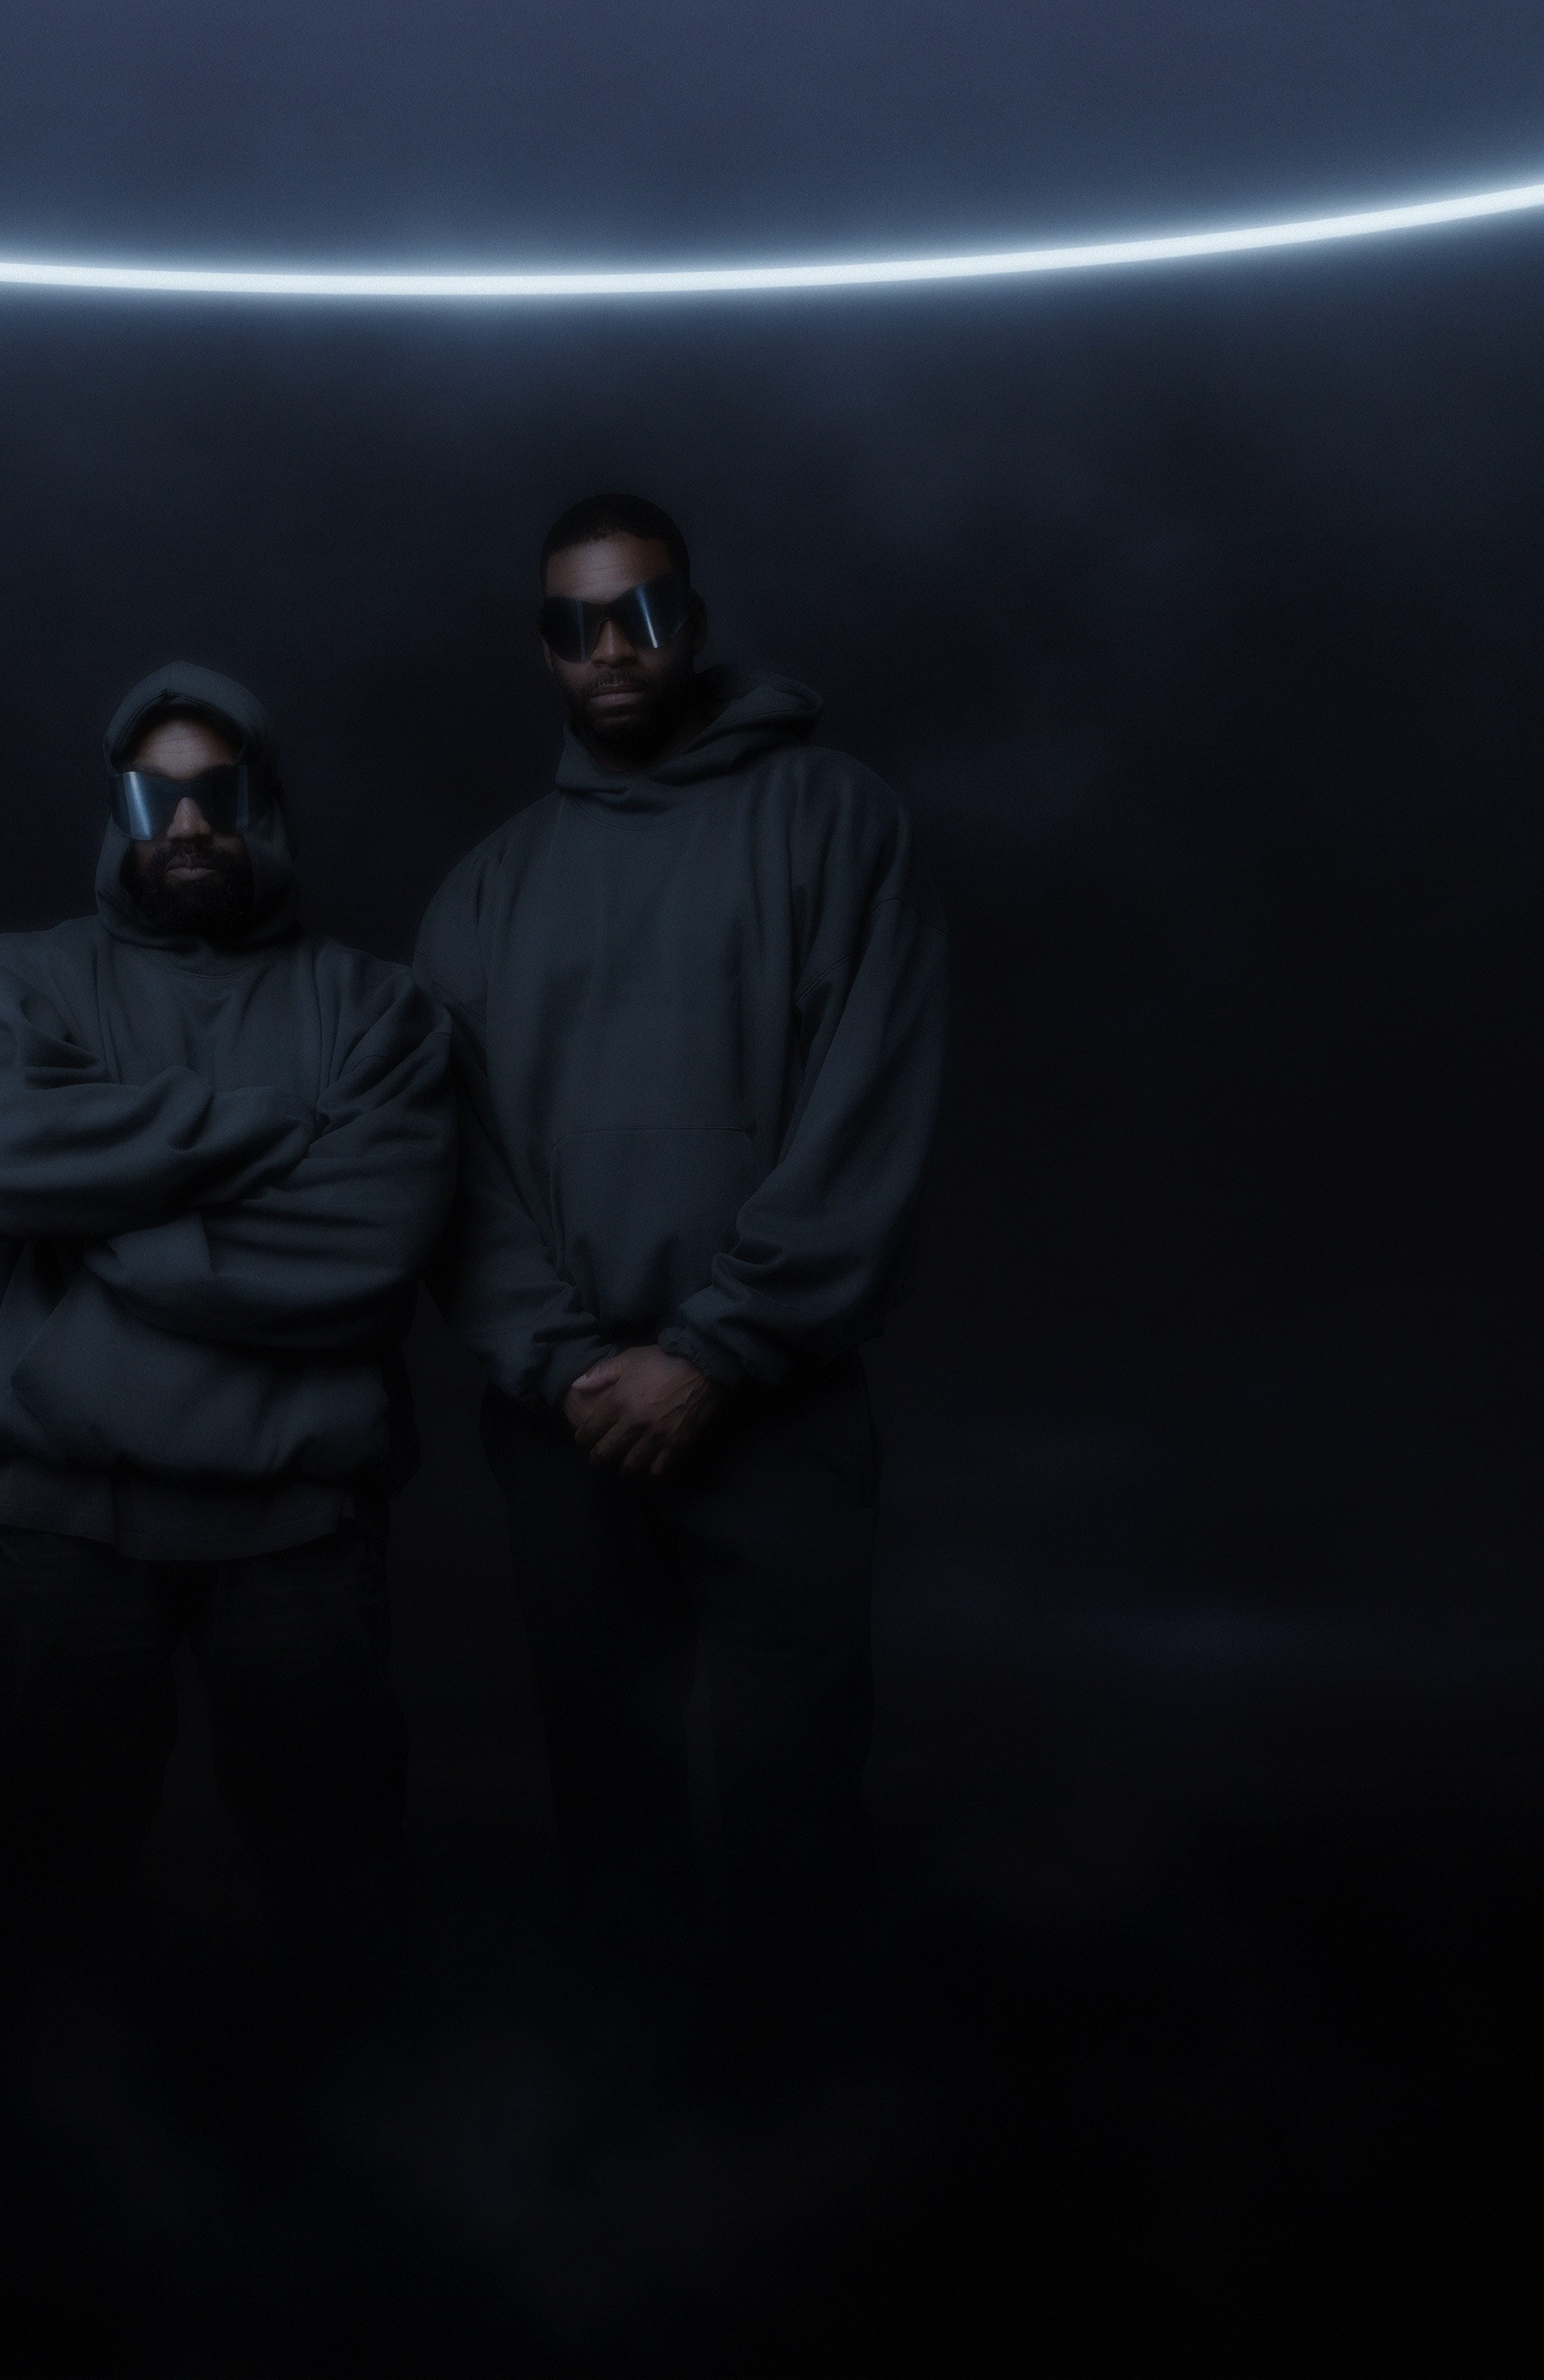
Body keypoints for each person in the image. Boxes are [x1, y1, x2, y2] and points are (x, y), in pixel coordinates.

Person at [413, 495, 946, 2044]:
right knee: (608, 1800)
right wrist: (568, 1363)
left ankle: (810, 2114)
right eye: (575, 625)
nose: (611, 650)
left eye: (639, 613)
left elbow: (865, 1117)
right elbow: (451, 1178)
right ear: (544, 651)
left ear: (691, 623)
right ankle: (636, 2121)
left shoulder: (833, 820)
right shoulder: (484, 891)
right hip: (568, 1422)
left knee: (796, 1795)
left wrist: (712, 1350)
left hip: (775, 1410)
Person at [0, 662, 455, 2011]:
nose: (186, 823)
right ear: (116, 809)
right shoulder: (20, 979)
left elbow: (366, 1244)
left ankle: (362, 2132)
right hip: (66, 1513)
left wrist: (107, 1217)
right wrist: (264, 1129)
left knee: (342, 1873)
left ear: (262, 802)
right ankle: (62, 2128)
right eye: (152, 795)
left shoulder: (373, 1006)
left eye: (214, 791)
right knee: (52, 1872)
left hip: (297, 1519)